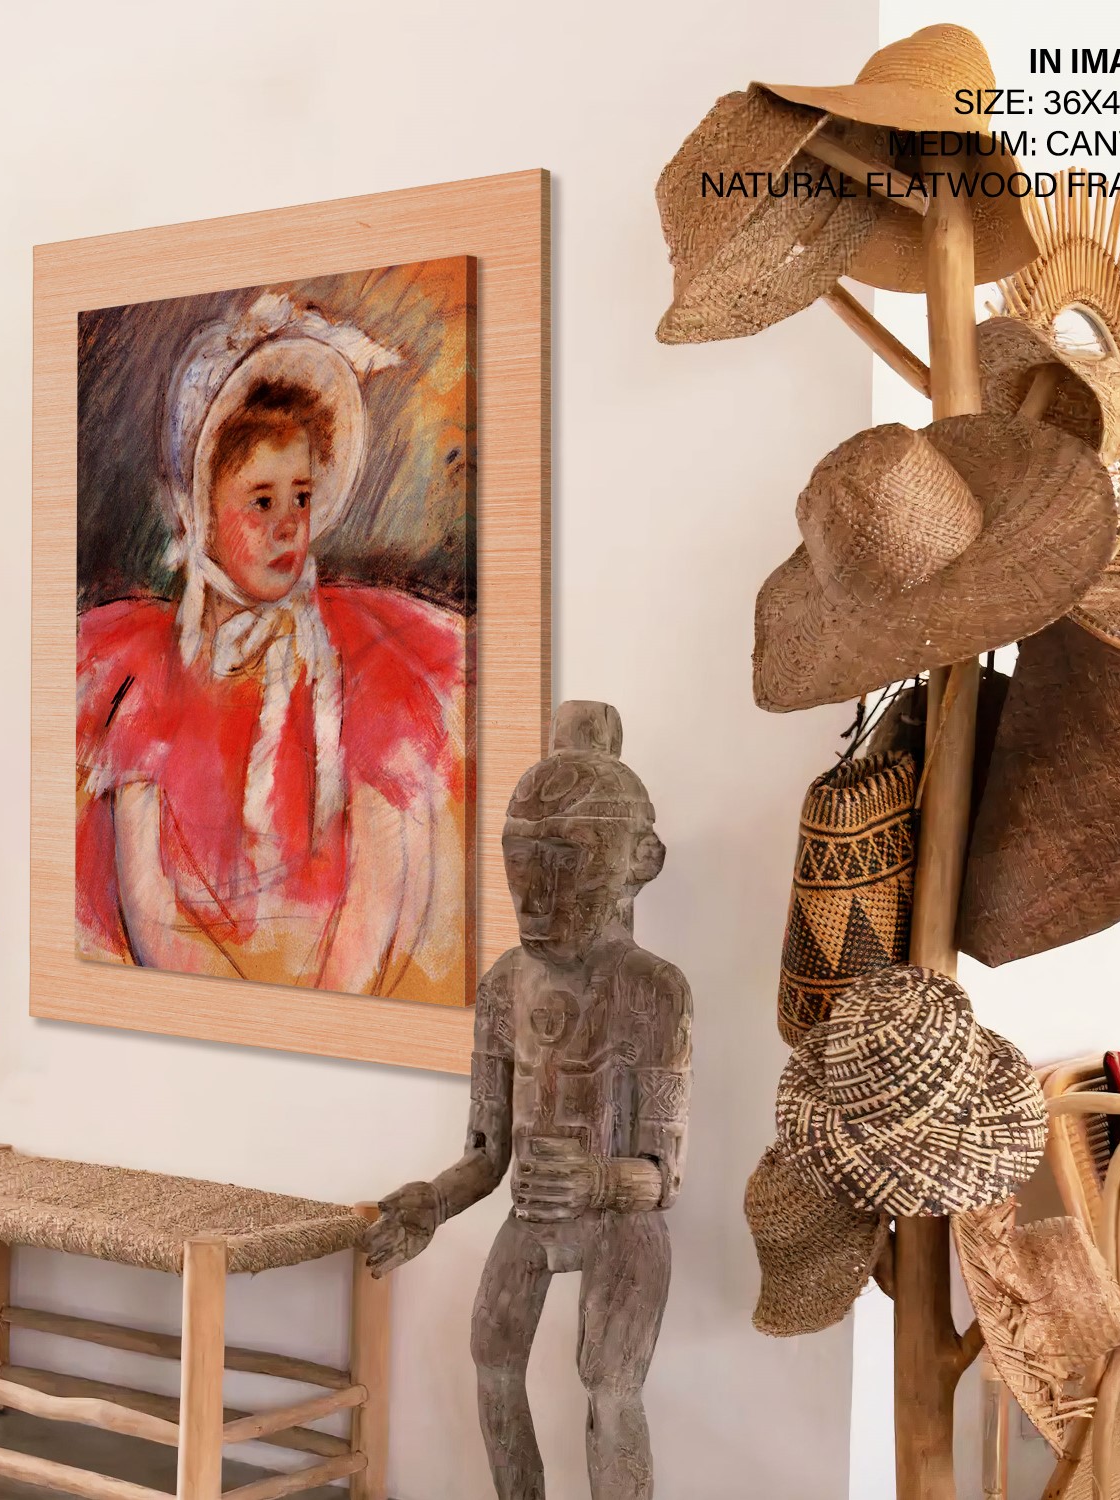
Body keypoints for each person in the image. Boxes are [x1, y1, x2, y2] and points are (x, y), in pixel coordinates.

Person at [75, 293, 468, 1003]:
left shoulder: (361, 662)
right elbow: (148, 907)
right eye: (261, 501)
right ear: (201, 509)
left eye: (302, 497)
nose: (288, 525)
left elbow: (377, 897)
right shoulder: (151, 676)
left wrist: (318, 1020)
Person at [364, 702, 693, 1500]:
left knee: (610, 1385)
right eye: (522, 859)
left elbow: (663, 1176)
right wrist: (434, 1202)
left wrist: (597, 1183)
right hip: (534, 1215)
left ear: (638, 862)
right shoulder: (506, 985)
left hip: (621, 1223)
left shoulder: (654, 991)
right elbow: (487, 1156)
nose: (538, 893)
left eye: (568, 860)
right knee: (492, 1357)